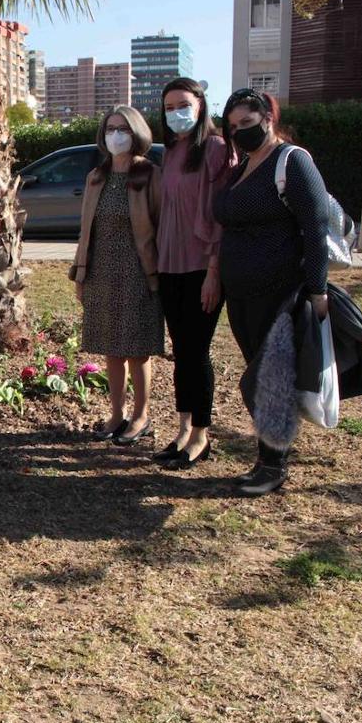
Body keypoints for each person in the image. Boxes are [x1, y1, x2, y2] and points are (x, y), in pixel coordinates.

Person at [213, 88, 330, 496]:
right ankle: (266, 457)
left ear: (268, 118)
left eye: (247, 123)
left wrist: (317, 290)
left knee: (272, 378)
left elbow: (316, 229)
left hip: (279, 291)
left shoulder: (291, 162)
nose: (240, 132)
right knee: (259, 374)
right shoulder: (243, 165)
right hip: (241, 292)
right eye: (232, 127)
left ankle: (274, 464)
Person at [154, 78, 236, 470]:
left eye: (183, 104)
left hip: (203, 266)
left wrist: (214, 272)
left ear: (201, 106)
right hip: (169, 263)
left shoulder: (218, 150)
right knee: (181, 352)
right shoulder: (171, 152)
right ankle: (183, 428)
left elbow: (222, 216)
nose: (176, 113)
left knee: (196, 351)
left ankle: (202, 434)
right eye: (169, 107)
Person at [71, 106, 164, 446]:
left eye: (123, 128)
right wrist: (80, 275)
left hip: (139, 274)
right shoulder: (96, 177)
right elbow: (85, 231)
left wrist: (158, 274)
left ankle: (141, 416)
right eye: (110, 129)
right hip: (102, 274)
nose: (116, 135)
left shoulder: (151, 175)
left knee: (138, 350)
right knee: (111, 349)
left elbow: (162, 226)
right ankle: (116, 414)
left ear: (136, 132)